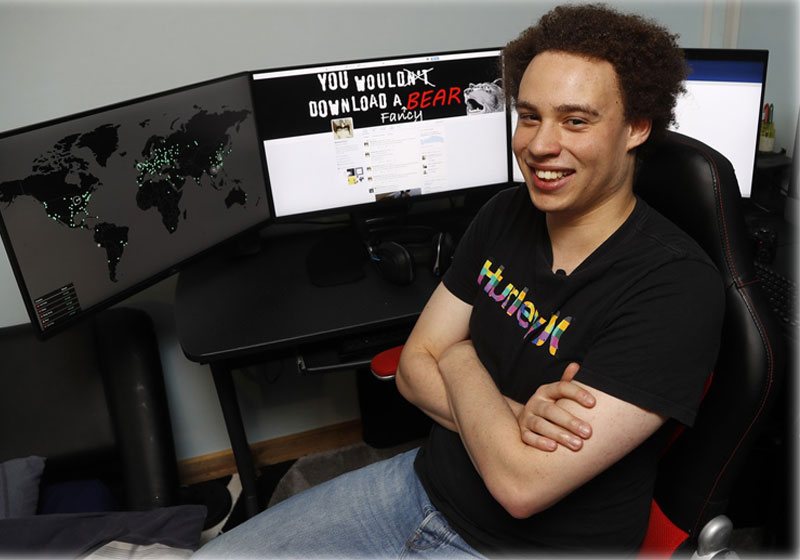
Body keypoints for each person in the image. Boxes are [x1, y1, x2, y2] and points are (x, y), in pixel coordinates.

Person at [194, 4, 724, 557]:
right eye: (529, 115)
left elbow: (522, 485)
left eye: (575, 120)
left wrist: (458, 358)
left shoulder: (676, 287)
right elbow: (411, 370)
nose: (540, 145)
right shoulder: (504, 213)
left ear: (636, 127)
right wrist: (513, 419)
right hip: (421, 487)